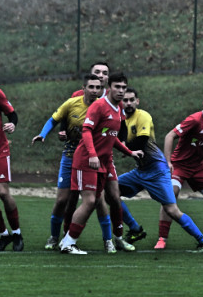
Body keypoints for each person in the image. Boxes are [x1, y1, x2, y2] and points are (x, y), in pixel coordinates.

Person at [115, 87, 203, 252]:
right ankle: (135, 229)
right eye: (125, 100)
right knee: (110, 193)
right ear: (120, 102)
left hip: (157, 171)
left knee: (172, 210)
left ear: (137, 101)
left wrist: (125, 149)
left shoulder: (143, 116)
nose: (129, 103)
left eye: (132, 99)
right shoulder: (120, 120)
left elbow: (142, 141)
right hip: (140, 171)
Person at [58, 73, 143, 255]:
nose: (121, 91)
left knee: (113, 197)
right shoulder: (99, 105)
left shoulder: (118, 107)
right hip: (86, 160)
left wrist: (130, 152)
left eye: (124, 87)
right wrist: (92, 155)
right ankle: (68, 242)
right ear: (109, 87)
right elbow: (87, 131)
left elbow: (112, 137)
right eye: (117, 87)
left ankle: (116, 239)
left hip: (104, 161)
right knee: (88, 201)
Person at [32, 74, 112, 251]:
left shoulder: (105, 107)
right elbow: (54, 119)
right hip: (70, 155)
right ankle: (54, 237)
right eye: (91, 87)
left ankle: (108, 240)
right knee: (63, 200)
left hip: (93, 158)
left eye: (98, 88)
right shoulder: (72, 103)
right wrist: (43, 134)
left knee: (98, 200)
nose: (95, 91)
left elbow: (111, 131)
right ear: (83, 88)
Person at [156, 90, 203, 250]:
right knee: (170, 195)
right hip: (179, 165)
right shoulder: (194, 120)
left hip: (197, 166)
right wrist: (167, 162)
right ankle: (162, 238)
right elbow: (170, 136)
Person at [0, 84, 23, 252]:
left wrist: (12, 124)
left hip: (0, 151)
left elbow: (12, 114)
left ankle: (17, 233)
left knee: (3, 192)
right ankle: (4, 235)